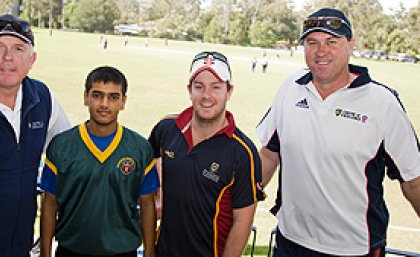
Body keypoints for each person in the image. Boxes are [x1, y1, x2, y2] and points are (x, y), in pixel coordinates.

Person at [256, 7, 420, 257]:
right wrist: (236, 207)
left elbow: (414, 181)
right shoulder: (290, 87)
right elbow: (269, 154)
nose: (321, 51)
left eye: (331, 42)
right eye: (312, 42)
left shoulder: (382, 102)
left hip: (354, 249)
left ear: (350, 45)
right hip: (290, 242)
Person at [149, 51, 263, 257]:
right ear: (189, 90)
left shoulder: (242, 152)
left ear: (229, 91)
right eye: (199, 87)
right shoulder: (166, 128)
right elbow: (151, 164)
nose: (206, 96)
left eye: (216, 87)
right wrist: (160, 198)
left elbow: (243, 221)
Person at [40, 66, 159, 257]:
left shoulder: (139, 148)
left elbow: (147, 204)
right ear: (86, 97)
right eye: (97, 95)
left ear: (123, 101)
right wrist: (45, 253)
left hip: (122, 250)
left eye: (113, 97)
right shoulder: (62, 146)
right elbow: (49, 203)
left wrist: (150, 252)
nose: (104, 104)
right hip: (72, 249)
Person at [0, 14, 71, 257]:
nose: (7, 57)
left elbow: (69, 154)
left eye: (18, 48)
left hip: (20, 243)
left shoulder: (42, 98)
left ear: (32, 60)